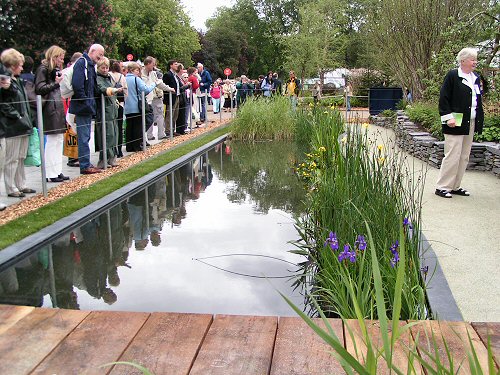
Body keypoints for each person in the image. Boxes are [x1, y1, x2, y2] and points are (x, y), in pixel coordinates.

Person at [435, 47, 484, 198]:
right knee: (453, 154)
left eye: (476, 59)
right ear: (463, 61)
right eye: (472, 59)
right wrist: (447, 117)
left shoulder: (475, 77)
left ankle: (455, 186)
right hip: (454, 119)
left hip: (471, 120)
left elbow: (478, 96)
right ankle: (442, 186)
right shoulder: (453, 75)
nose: (475, 62)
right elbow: (444, 98)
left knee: (464, 156)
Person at [0, 48, 36, 198]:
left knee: (21, 156)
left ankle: (21, 183)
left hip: (23, 124)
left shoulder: (17, 81)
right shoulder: (6, 82)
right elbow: (5, 104)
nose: (22, 67)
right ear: (13, 65)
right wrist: (18, 117)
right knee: (12, 158)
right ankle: (11, 187)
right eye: (20, 65)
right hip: (12, 125)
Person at [35, 45, 69, 182]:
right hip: (49, 108)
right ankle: (51, 172)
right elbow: (39, 88)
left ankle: (57, 170)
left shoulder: (52, 70)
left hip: (56, 106)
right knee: (52, 140)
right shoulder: (43, 69)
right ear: (54, 57)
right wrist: (56, 83)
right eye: (60, 58)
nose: (62, 61)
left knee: (58, 140)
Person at [68, 44, 105, 175]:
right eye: (99, 55)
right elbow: (78, 85)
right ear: (92, 51)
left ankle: (86, 163)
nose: (100, 58)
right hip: (83, 107)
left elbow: (93, 87)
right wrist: (86, 101)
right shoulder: (82, 63)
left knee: (86, 136)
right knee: (83, 137)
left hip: (87, 106)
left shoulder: (90, 66)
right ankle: (85, 165)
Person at [95, 57, 123, 168]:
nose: (105, 69)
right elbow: (101, 89)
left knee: (114, 134)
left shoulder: (108, 77)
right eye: (103, 67)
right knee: (107, 135)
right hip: (104, 111)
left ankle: (112, 158)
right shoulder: (98, 78)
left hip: (112, 110)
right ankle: (103, 160)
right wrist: (114, 90)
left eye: (107, 67)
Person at [124, 62, 157, 151]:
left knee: (129, 126)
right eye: (137, 70)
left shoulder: (124, 79)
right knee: (137, 126)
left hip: (127, 106)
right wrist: (154, 84)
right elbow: (145, 90)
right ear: (132, 70)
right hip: (136, 106)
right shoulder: (136, 79)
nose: (138, 72)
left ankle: (129, 146)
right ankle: (136, 146)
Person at [142, 56, 172, 141]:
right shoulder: (141, 74)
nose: (154, 66)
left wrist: (169, 89)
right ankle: (148, 135)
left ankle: (160, 133)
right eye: (153, 64)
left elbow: (160, 84)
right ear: (147, 64)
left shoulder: (153, 73)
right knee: (148, 118)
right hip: (146, 99)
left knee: (159, 115)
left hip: (155, 97)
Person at [109, 59, 128, 158]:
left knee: (111, 127)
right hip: (120, 104)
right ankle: (119, 150)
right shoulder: (122, 77)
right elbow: (126, 91)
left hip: (110, 104)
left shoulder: (108, 76)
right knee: (119, 127)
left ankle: (112, 149)